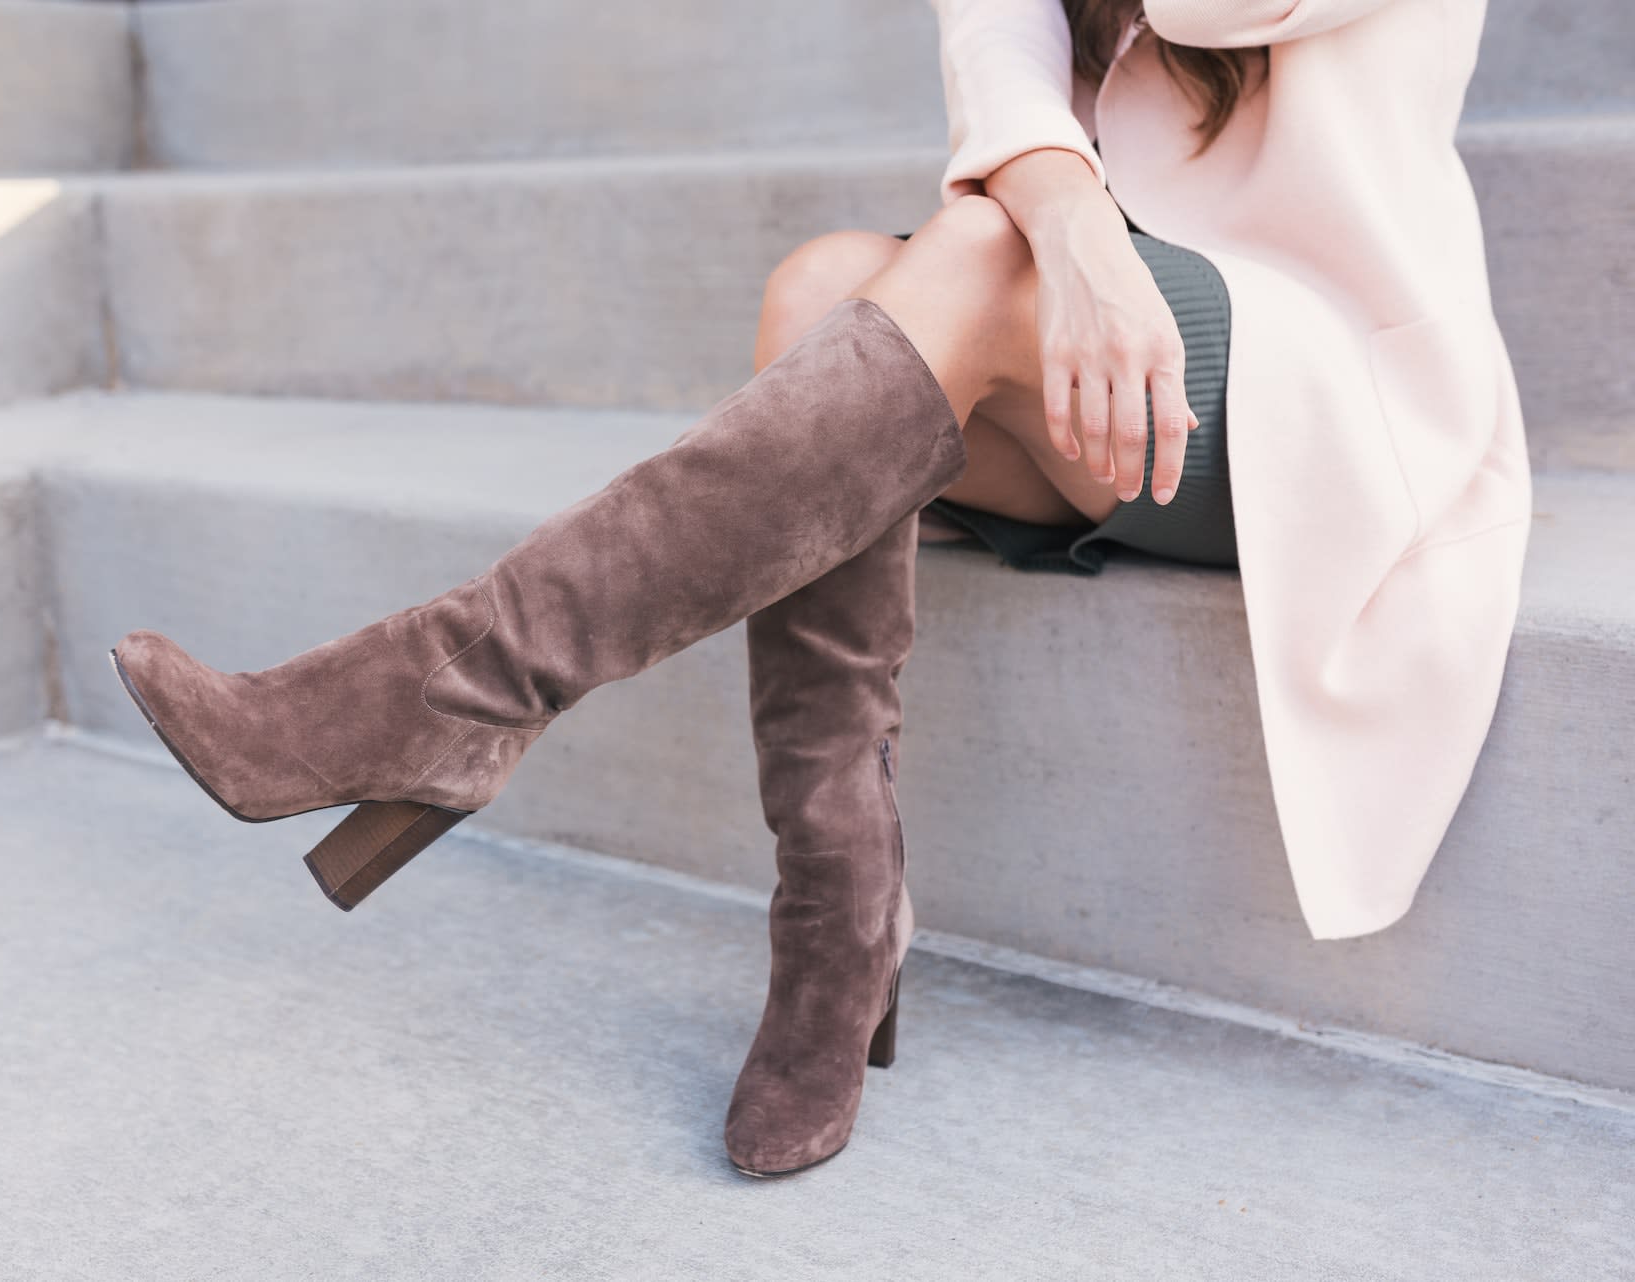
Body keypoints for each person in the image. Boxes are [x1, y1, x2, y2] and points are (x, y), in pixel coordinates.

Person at [108, 0, 1531, 1180]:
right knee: (818, 289)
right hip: (1100, 333)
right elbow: (992, 35)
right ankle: (837, 918)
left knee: (963, 256)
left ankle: (448, 690)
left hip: (1325, 387)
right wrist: (1079, 223)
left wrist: (1065, 222)